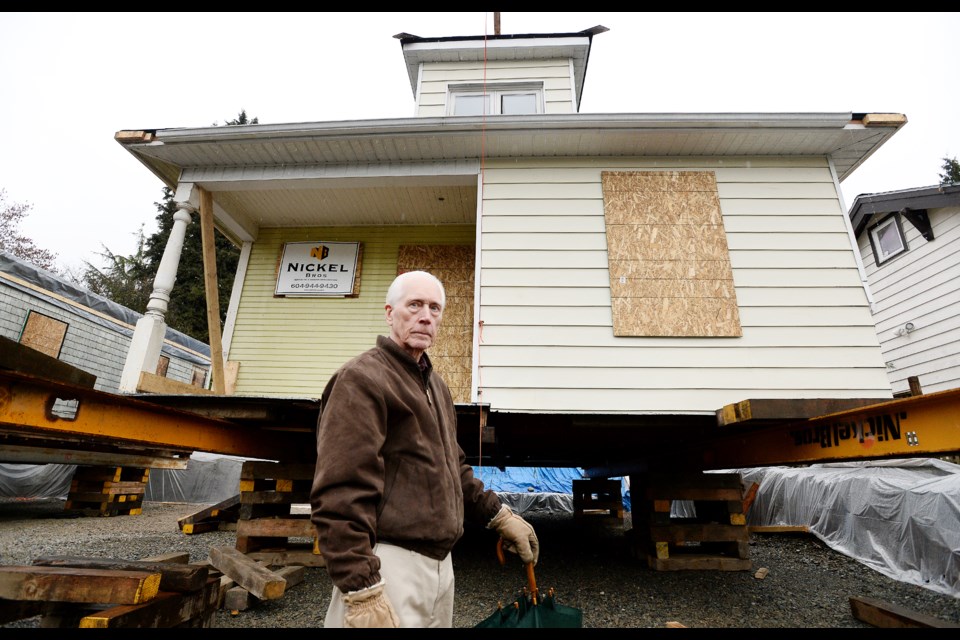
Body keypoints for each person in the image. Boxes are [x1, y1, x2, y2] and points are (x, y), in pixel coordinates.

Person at [310, 270, 540, 628]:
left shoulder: (436, 386)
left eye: (435, 308)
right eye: (414, 305)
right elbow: (340, 492)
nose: (425, 316)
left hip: (440, 568)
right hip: (389, 566)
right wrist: (361, 589)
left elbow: (454, 469)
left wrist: (499, 516)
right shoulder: (362, 379)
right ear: (389, 313)